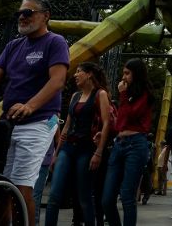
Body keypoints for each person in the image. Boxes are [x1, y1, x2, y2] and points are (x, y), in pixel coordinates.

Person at [0, 0, 68, 223]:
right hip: (8, 124)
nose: (22, 17)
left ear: (45, 16)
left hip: (39, 121)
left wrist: (30, 106)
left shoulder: (55, 42)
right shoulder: (13, 46)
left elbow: (58, 81)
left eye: (28, 12)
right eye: (19, 13)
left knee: (21, 188)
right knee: (1, 188)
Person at [45, 62, 112, 226]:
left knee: (84, 198)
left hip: (86, 150)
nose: (75, 75)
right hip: (68, 148)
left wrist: (99, 152)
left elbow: (106, 123)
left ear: (89, 74)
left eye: (79, 72)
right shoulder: (75, 96)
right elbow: (67, 126)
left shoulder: (100, 94)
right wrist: (56, 153)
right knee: (54, 196)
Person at [101, 58, 154, 226]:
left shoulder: (145, 94)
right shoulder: (127, 94)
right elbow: (121, 122)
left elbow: (133, 114)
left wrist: (123, 94)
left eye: (127, 73)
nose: (123, 77)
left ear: (136, 74)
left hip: (136, 144)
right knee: (107, 199)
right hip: (119, 143)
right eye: (123, 73)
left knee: (127, 196)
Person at [32, 130, 61, 226]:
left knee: (35, 195)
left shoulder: (52, 116)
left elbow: (57, 138)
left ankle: (34, 223)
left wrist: (56, 156)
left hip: (43, 159)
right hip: (29, 155)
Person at [139, 132, 156, 205]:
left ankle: (138, 196)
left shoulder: (142, 144)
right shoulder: (153, 145)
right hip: (148, 166)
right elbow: (153, 156)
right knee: (148, 182)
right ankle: (145, 198)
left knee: (139, 182)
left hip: (140, 164)